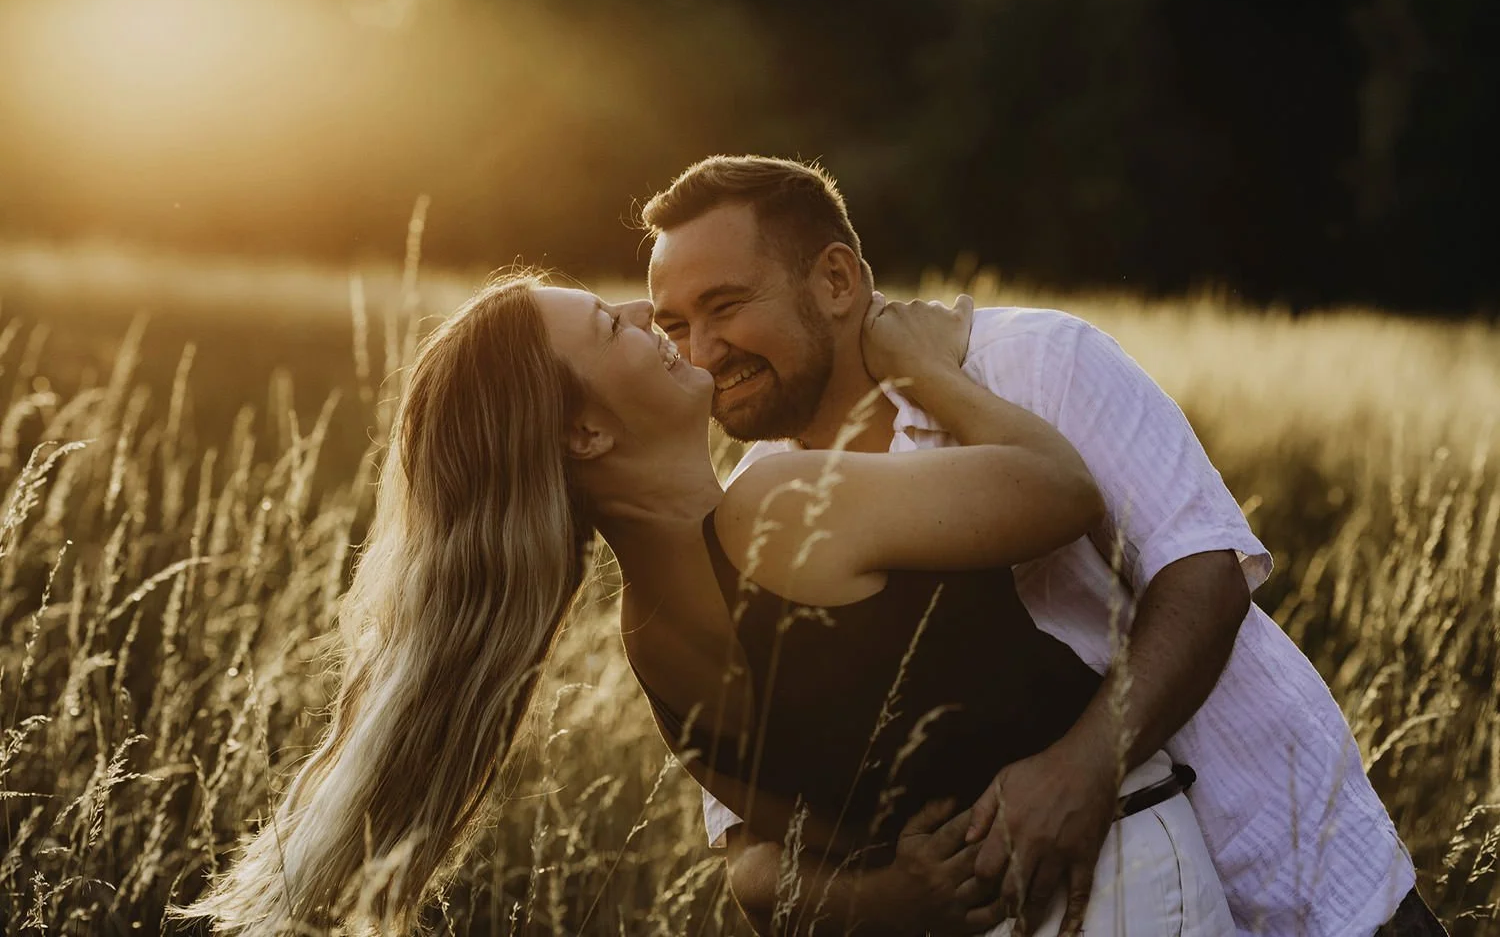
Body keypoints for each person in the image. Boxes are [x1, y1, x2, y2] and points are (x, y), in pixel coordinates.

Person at [180, 273, 1232, 937]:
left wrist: (899, 899)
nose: (650, 317)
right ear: (586, 435)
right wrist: (926, 368)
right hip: (1123, 881)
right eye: (612, 325)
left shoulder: (648, 642)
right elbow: (1063, 490)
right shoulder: (778, 505)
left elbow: (800, 850)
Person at [641, 154, 1444, 937]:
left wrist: (1083, 770)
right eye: (673, 326)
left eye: (726, 305)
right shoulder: (749, 514)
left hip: (1294, 873)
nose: (701, 353)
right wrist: (892, 899)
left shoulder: (1034, 362)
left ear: (837, 280)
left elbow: (1205, 572)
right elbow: (748, 850)